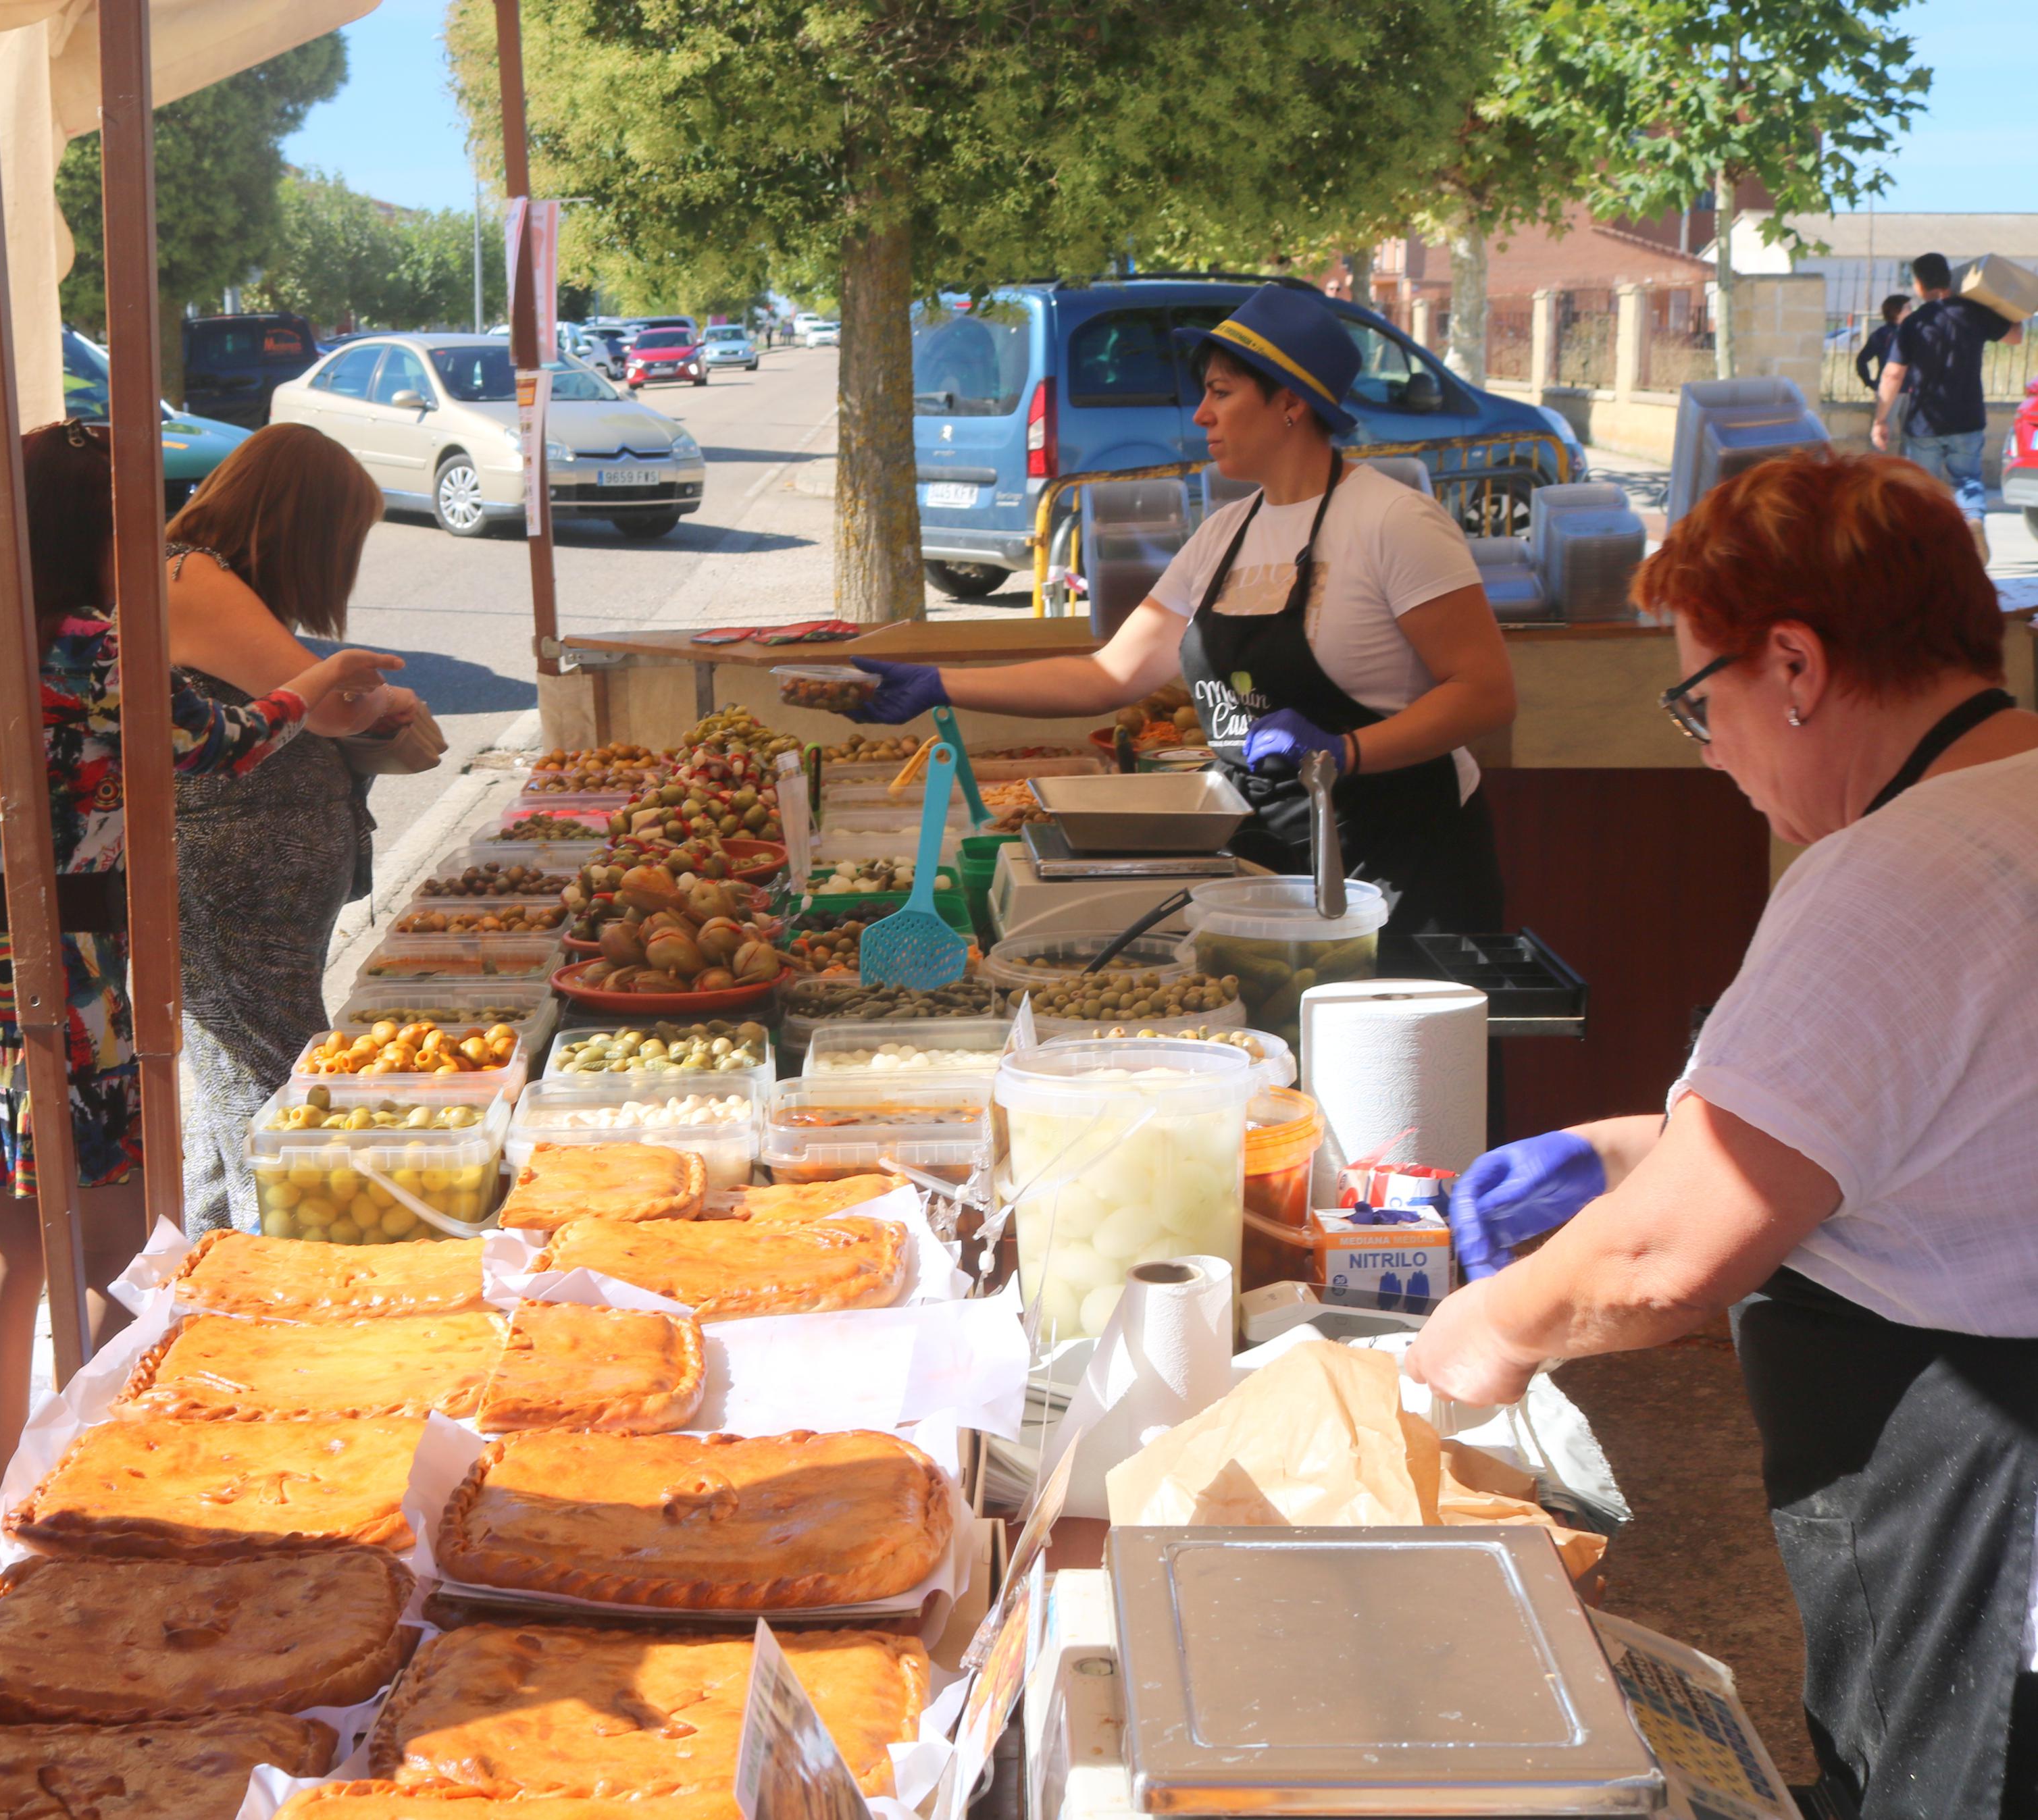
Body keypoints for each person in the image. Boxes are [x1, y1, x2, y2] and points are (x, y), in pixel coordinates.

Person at [1408, 452, 2038, 1817]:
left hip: (1983, 1522)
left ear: (1794, 666)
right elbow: (1894, 1130)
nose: (1710, 758)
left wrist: (1485, 1333)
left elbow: (1663, 1267)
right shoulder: (2006, 815)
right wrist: (1623, 1150)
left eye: (1701, 704)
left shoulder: (1891, 874)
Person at [0, 420, 402, 1533]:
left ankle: (3, 1488)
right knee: (108, 1251)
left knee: (0, 1243)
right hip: (63, 971)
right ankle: (87, 1474)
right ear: (89, 532)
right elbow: (227, 742)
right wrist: (321, 686)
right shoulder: (99, 651)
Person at [846, 284, 1517, 935]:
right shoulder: (1223, 535)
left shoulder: (1393, 522)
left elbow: (1484, 694)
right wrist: (938, 684)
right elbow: (1108, 677)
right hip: (1270, 868)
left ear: (1289, 403)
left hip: (1401, 872)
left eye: (1221, 393)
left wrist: (1345, 751)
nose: (1200, 414)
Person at [160, 421, 416, 1233]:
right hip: (227, 891)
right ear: (299, 522)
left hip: (256, 891)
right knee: (279, 1107)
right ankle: (277, 1286)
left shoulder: (212, 577)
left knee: (237, 1092)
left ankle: (200, 1275)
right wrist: (384, 703)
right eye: (344, 538)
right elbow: (332, 704)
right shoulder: (192, 573)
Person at [1872, 251, 2024, 561]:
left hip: (1923, 424)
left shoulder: (1914, 322)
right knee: (1967, 480)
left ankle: (1926, 554)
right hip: (1968, 419)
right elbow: (2016, 337)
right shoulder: (1975, 313)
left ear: (1919, 284)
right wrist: (2006, 303)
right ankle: (1973, 521)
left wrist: (1881, 420)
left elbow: (1893, 374)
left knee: (1922, 490)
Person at [1853, 291, 1908, 392]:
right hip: (1891, 390)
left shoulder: (1913, 332)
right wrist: (1869, 382)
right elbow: (1862, 360)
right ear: (1897, 311)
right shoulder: (1883, 335)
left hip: (1910, 391)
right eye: (1908, 308)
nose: (1912, 312)